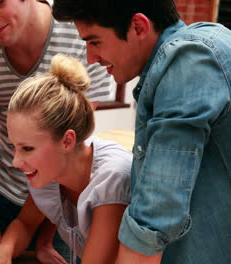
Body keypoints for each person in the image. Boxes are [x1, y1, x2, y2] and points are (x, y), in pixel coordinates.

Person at [52, 0, 231, 263]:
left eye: (95, 42)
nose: (90, 58)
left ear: (138, 26)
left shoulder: (189, 60)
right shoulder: (209, 39)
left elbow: (158, 209)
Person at [0, 0, 116, 262]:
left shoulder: (85, 38)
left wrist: (45, 239)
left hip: (62, 198)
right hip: (10, 190)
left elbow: (69, 149)